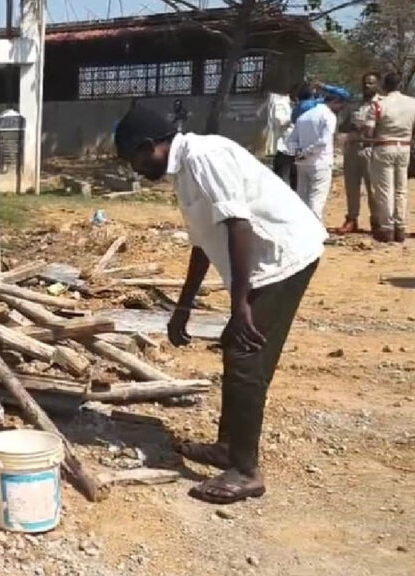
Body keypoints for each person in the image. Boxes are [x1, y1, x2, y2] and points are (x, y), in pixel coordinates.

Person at [113, 106, 325, 504]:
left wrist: (240, 304)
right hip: (265, 262)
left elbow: (238, 225)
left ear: (148, 146)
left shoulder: (205, 159)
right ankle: (230, 448)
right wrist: (182, 306)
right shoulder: (184, 171)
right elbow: (204, 242)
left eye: (134, 160)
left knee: (246, 355)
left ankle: (245, 471)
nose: (136, 169)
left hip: (284, 258)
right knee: (237, 350)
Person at [365, 71, 415, 243]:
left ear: (385, 86)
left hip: (384, 146)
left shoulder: (379, 104)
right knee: (401, 189)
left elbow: (369, 130)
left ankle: (387, 228)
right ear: (400, 85)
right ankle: (400, 227)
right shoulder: (412, 104)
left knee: (385, 190)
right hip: (404, 147)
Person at [288, 89, 348, 222]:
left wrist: (298, 152)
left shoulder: (304, 117)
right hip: (320, 163)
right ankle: (314, 231)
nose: (340, 109)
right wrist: (306, 152)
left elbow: (291, 140)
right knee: (316, 199)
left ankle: (300, 228)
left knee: (302, 197)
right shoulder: (328, 116)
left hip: (302, 163)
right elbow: (323, 141)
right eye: (340, 105)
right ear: (334, 102)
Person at [339, 73, 382, 234]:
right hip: (352, 149)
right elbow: (342, 126)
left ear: (377, 85)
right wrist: (353, 128)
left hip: (372, 150)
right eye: (365, 83)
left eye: (371, 83)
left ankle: (376, 220)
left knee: (373, 188)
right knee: (351, 186)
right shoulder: (354, 104)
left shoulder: (382, 104)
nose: (367, 86)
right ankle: (351, 219)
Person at [269, 92, 296, 189]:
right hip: (284, 146)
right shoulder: (280, 102)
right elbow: (280, 121)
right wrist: (294, 118)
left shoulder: (288, 102)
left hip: (292, 147)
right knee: (282, 177)